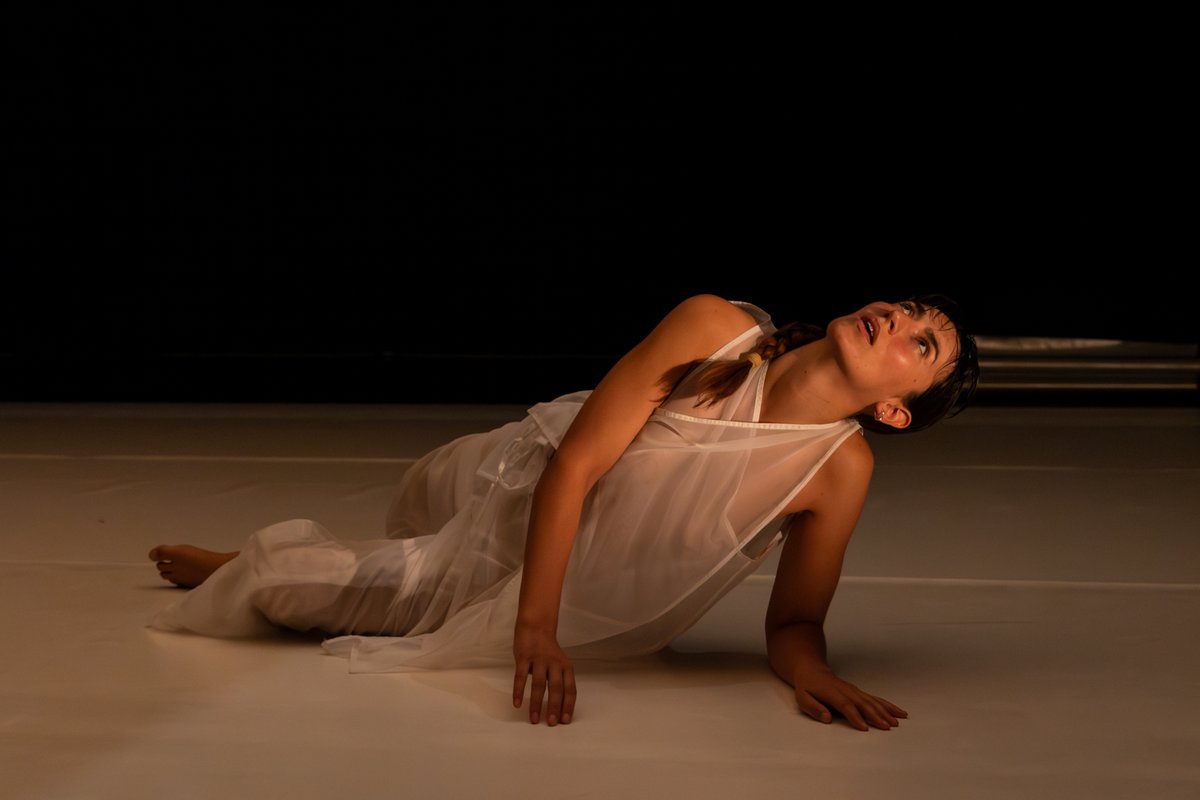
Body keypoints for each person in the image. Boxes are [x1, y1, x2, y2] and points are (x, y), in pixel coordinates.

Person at [148, 294, 978, 732]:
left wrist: (811, 671)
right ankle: (260, 565)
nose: (899, 318)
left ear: (895, 410)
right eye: (908, 306)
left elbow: (793, 621)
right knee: (387, 526)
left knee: (295, 580)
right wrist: (534, 629)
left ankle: (248, 564)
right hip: (516, 493)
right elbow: (576, 466)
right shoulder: (717, 329)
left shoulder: (840, 469)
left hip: (579, 574)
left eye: (922, 342)